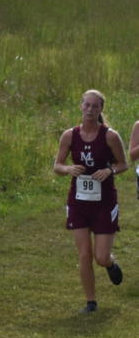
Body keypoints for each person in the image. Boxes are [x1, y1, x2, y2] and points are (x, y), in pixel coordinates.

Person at [54, 89, 126, 313]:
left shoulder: (110, 136)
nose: (90, 110)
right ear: (81, 106)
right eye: (87, 105)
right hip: (79, 202)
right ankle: (91, 301)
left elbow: (123, 164)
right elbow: (57, 166)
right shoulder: (69, 135)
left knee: (100, 256)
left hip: (104, 202)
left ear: (100, 109)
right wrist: (68, 168)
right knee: (84, 253)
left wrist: (109, 171)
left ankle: (110, 264)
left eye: (95, 106)